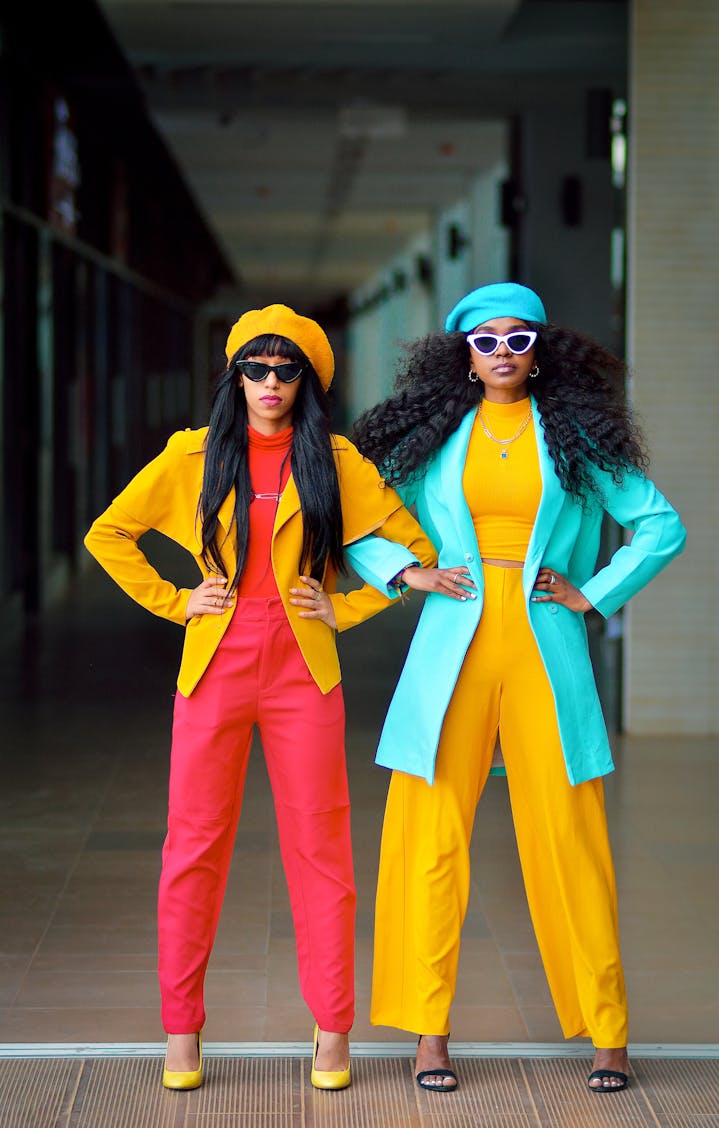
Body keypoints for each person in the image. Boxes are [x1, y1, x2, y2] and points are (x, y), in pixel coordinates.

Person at [84, 303, 437, 1092]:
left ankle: (331, 1029)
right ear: (234, 374)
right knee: (192, 849)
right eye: (255, 368)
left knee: (322, 853)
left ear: (307, 380)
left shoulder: (335, 460)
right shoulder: (195, 456)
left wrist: (342, 608)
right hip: (212, 667)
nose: (269, 384)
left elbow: (414, 549)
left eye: (286, 371)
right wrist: (179, 601)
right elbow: (108, 532)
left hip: (303, 671)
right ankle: (181, 1033)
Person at [349, 282, 687, 1094]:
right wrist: (408, 571)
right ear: (462, 353)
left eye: (518, 339)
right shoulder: (435, 437)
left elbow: (659, 525)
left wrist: (594, 593)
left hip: (545, 648)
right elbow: (356, 520)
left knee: (570, 839)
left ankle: (609, 1033)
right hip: (451, 649)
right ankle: (427, 1035)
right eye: (486, 340)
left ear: (541, 351)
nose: (502, 353)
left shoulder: (573, 437)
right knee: (428, 844)